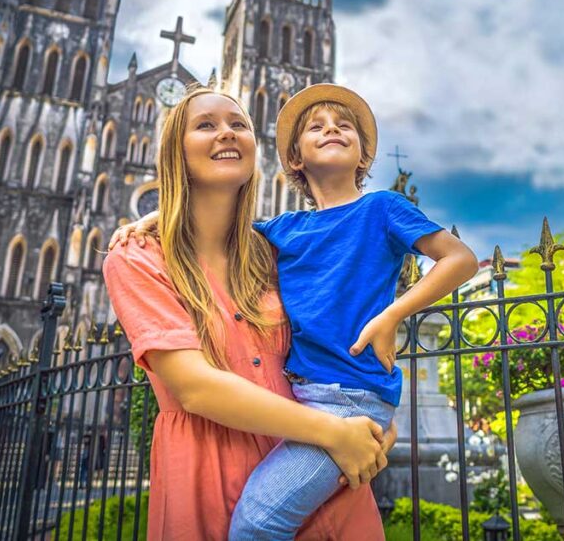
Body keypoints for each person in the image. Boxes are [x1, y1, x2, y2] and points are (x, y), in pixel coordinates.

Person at [117, 84, 478, 539]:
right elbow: (217, 228)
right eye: (207, 125)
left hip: (348, 403)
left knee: (256, 526)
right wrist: (155, 218)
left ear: (364, 156)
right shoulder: (281, 234)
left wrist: (391, 316)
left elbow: (459, 258)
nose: (332, 130)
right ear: (294, 160)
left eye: (344, 125)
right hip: (299, 416)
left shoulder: (377, 209)